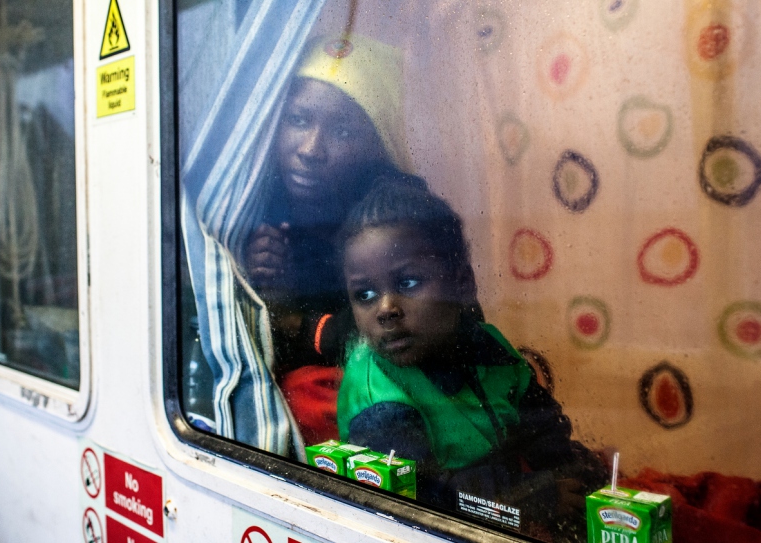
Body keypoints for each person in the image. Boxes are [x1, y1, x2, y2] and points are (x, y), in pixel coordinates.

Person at [335, 182, 607, 539]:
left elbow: (541, 425)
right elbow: (424, 499)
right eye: (365, 294)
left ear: (461, 284)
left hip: (498, 496)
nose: (386, 309)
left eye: (409, 282)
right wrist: (527, 497)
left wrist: (576, 470)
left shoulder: (487, 346)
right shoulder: (379, 401)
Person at [243, 33, 421, 445]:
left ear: (376, 145)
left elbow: (420, 333)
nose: (311, 149)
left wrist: (291, 318)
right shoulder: (255, 204)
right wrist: (266, 286)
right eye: (299, 120)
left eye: (341, 131)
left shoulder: (398, 215)